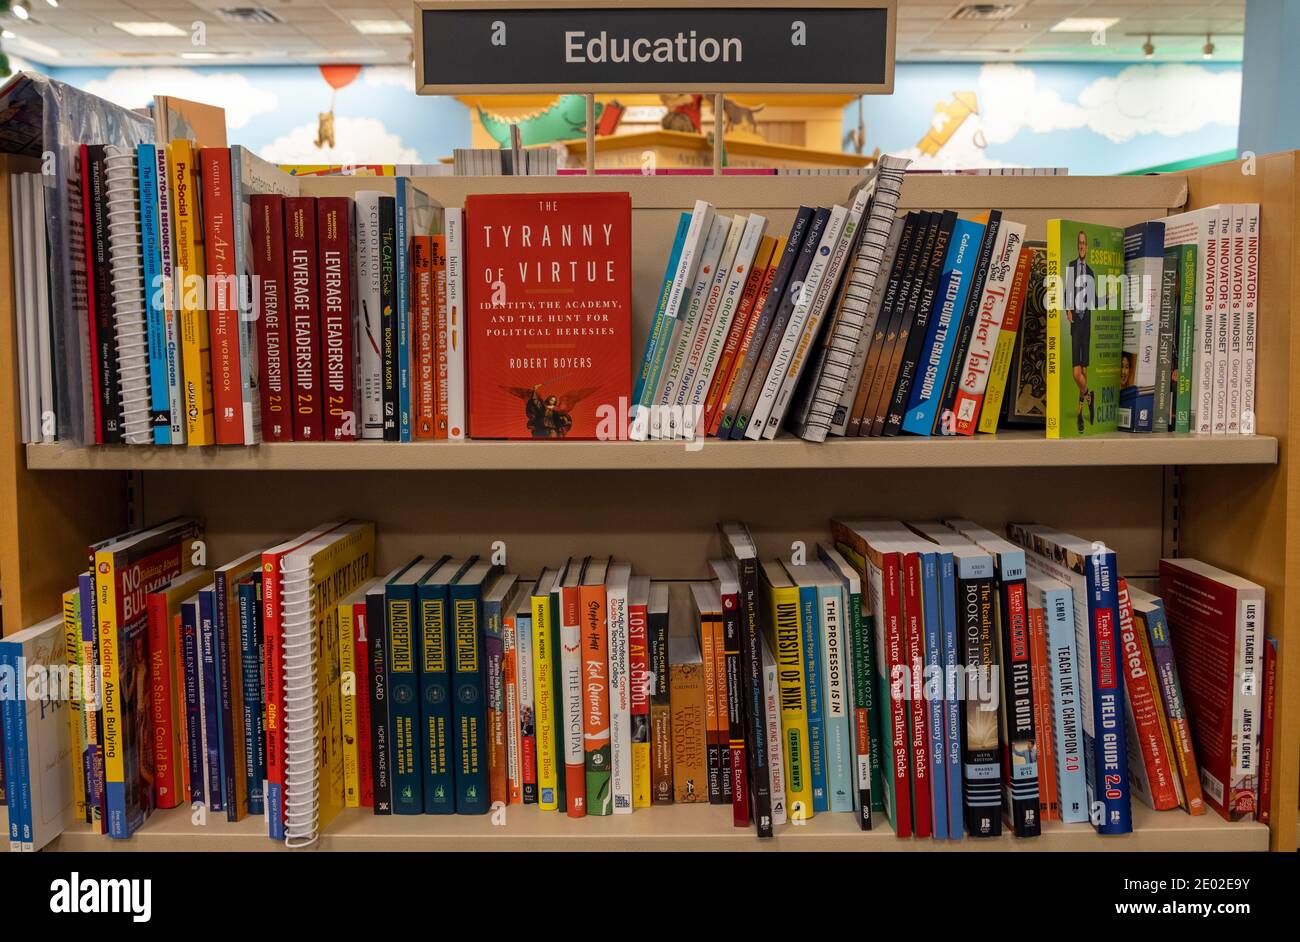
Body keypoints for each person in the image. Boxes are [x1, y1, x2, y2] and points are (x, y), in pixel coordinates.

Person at [1065, 229, 1096, 433]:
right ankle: (1089, 395)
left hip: (1087, 323)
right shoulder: (1071, 267)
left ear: (1087, 246)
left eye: (1085, 243)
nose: (1082, 246)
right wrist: (1068, 309)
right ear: (1078, 246)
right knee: (1076, 373)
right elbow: (1068, 290)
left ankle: (1079, 416)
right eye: (1080, 243)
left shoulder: (1092, 272)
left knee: (1084, 371)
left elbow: (1093, 300)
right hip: (1076, 321)